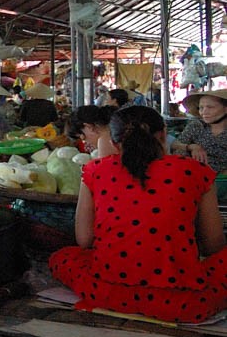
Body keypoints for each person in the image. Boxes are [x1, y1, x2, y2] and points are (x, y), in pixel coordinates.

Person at [49, 106, 227, 324]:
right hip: (184, 303)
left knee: (62, 257)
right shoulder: (194, 170)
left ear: (114, 143)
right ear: (163, 134)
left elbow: (84, 241)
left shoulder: (95, 170)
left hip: (106, 293)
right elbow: (213, 246)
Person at [174, 89, 227, 173]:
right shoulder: (197, 126)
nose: (204, 112)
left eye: (210, 107)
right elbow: (174, 145)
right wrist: (191, 147)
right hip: (193, 174)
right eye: (201, 108)